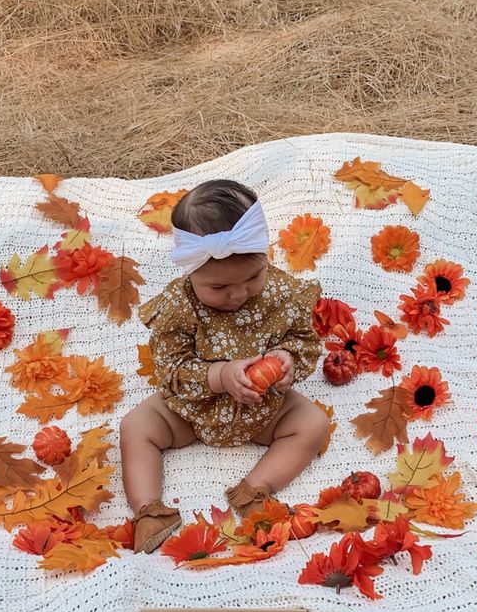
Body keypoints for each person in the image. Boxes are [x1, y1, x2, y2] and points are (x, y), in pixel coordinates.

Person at [121, 179, 329, 553]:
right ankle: (149, 510)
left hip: (263, 408)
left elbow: (305, 340)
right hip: (191, 410)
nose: (238, 294)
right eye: (218, 288)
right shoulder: (178, 307)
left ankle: (255, 490)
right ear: (191, 271)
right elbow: (170, 368)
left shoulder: (281, 294)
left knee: (313, 424)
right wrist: (218, 375)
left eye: (252, 277)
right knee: (135, 427)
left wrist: (288, 361)